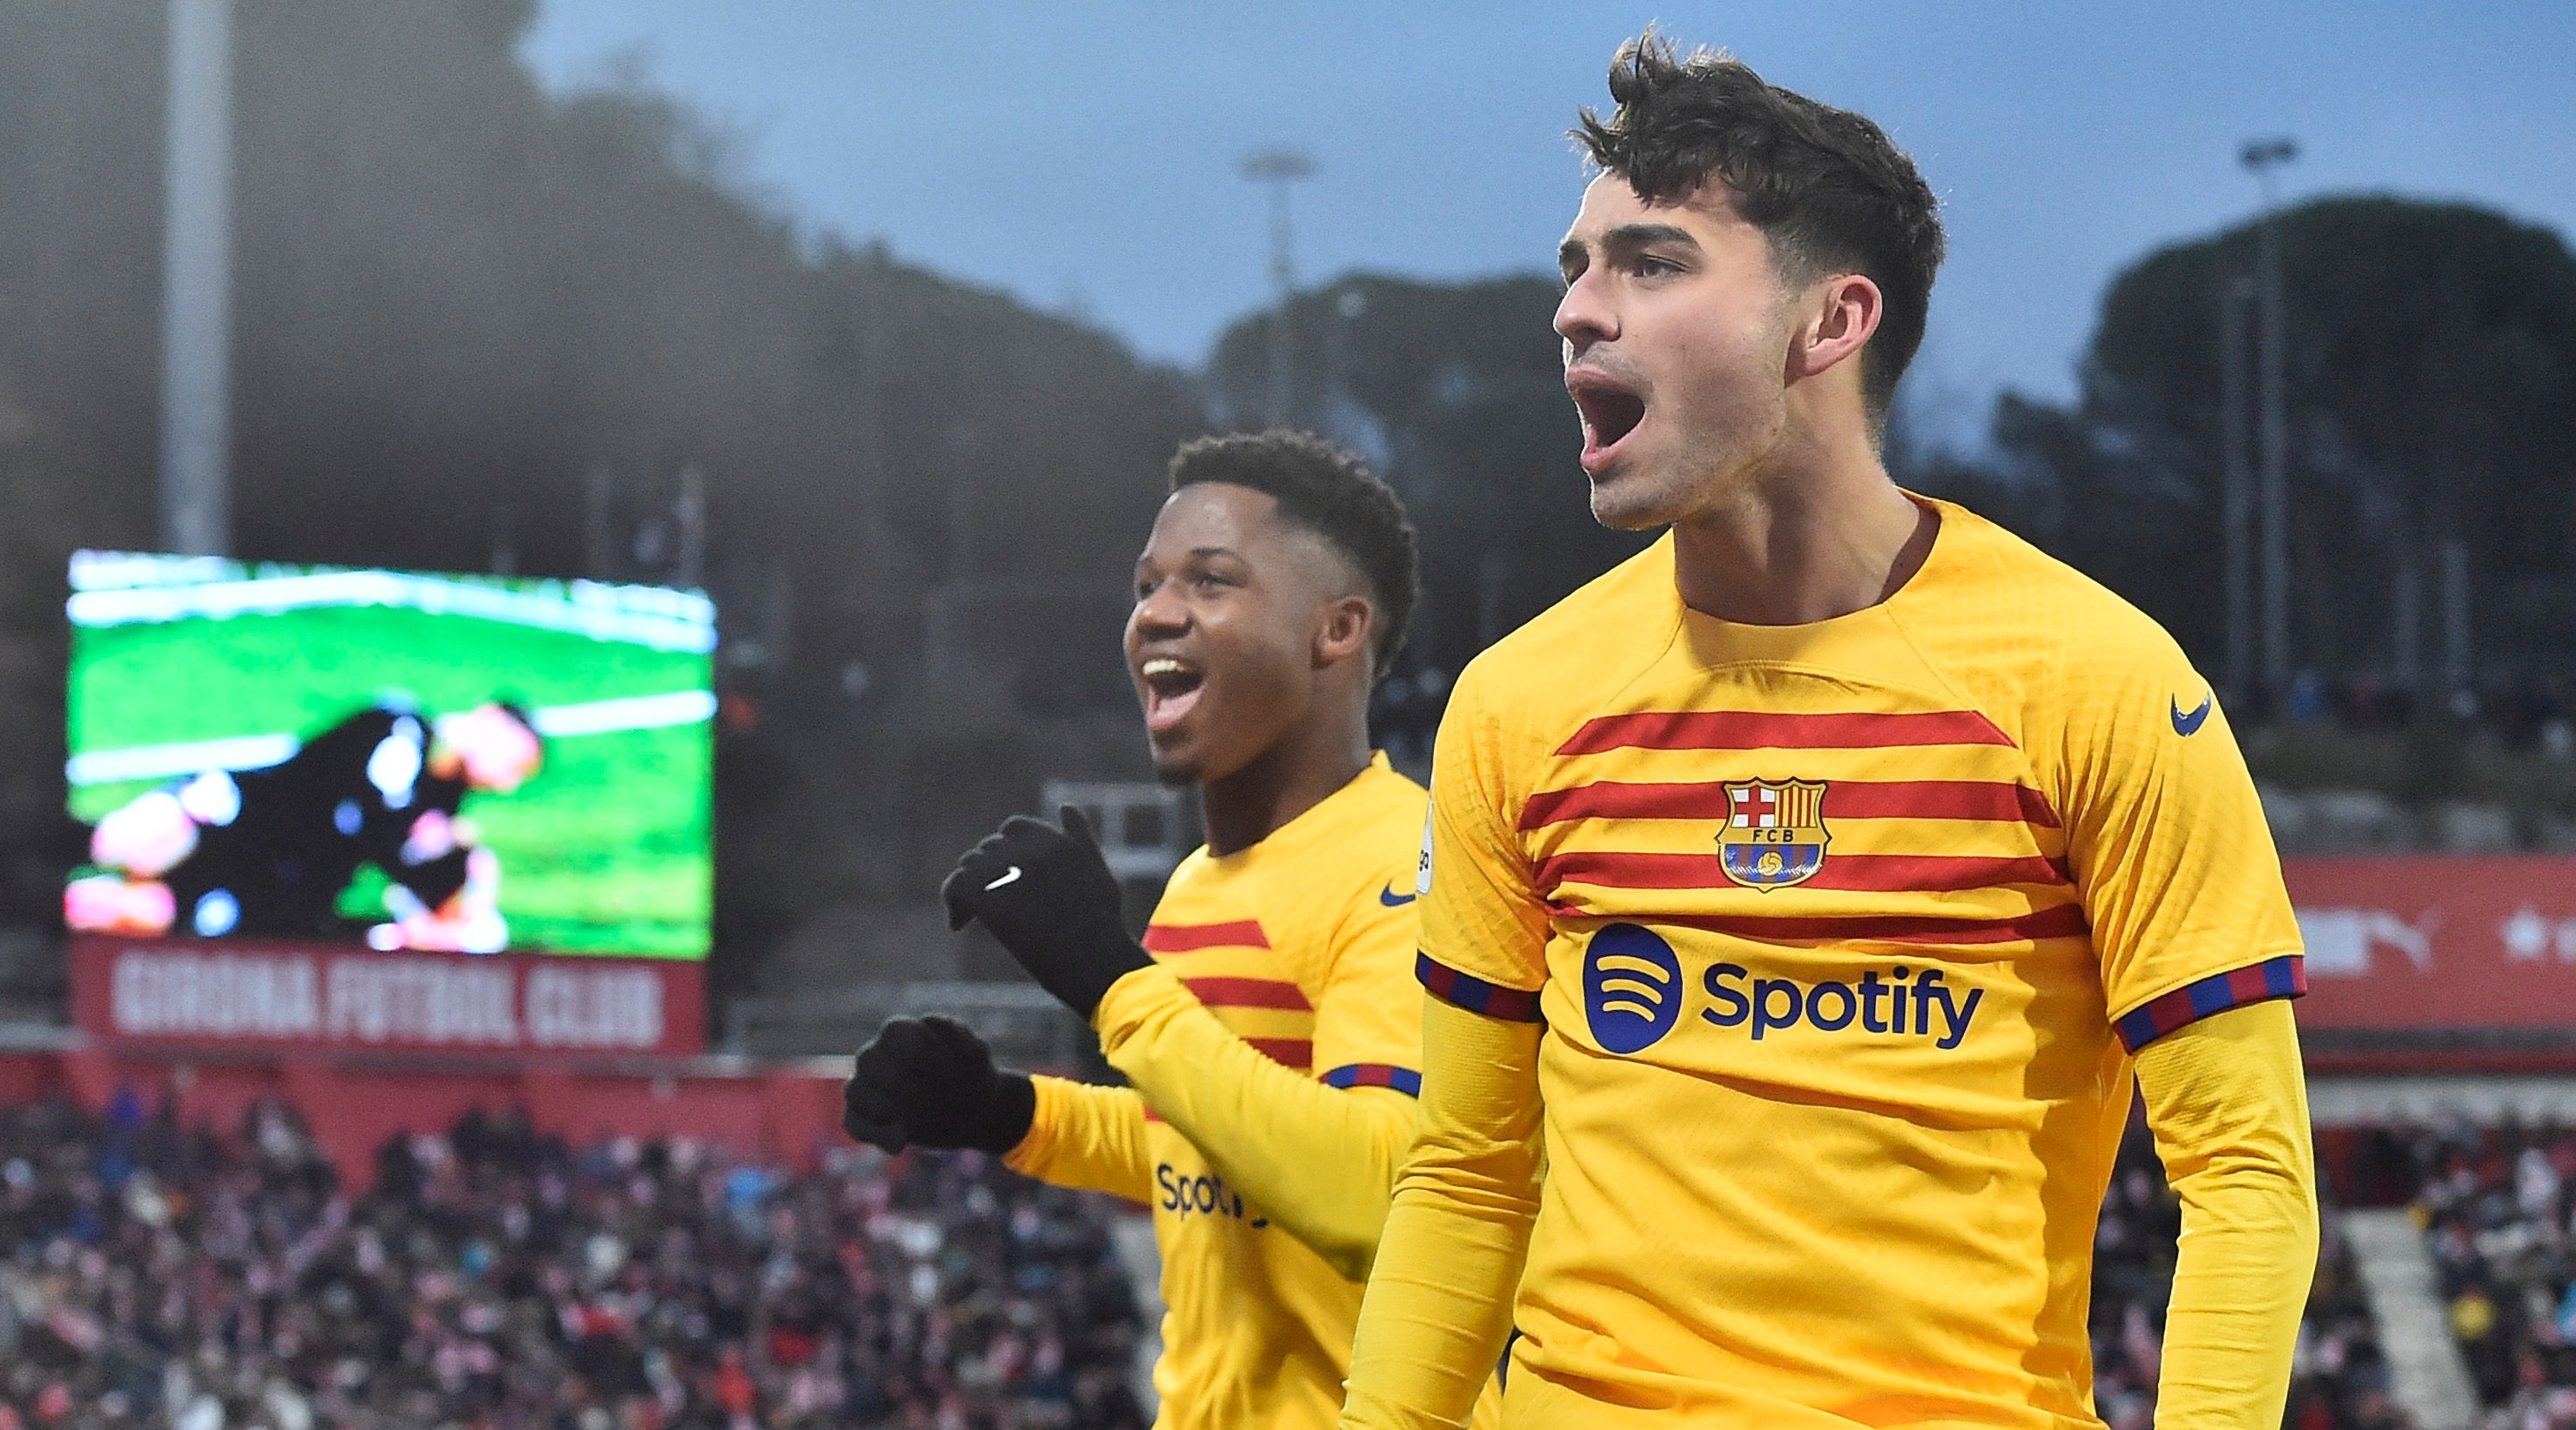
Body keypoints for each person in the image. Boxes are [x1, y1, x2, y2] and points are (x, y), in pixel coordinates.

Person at [1337, 33, 2317, 1430]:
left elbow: (2246, 1179)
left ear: (1829, 323)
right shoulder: (1517, 700)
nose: (1576, 311)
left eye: (1652, 262)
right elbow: (1466, 1171)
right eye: (1576, 268)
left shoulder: (2094, 679)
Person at [843, 432, 1496, 1430]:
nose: (1155, 611)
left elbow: (1391, 1198)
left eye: (1212, 580)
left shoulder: (1401, 865)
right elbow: (1209, 1151)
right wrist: (1010, 1113)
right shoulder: (1198, 883)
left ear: (1336, 630)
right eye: (1147, 584)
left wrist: (1113, 980)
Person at [67, 699, 543, 952]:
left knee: (140, 912)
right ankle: (55, 845)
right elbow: (378, 816)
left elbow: (417, 880)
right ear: (489, 720)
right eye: (514, 764)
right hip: (239, 813)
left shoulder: (444, 806)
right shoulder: (398, 729)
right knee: (134, 837)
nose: (507, 783)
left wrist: (463, 881)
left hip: (271, 882)